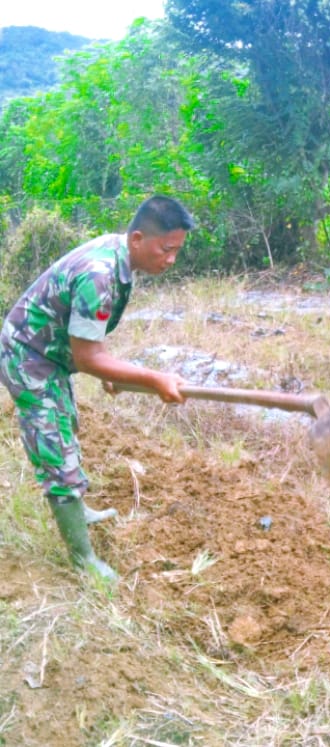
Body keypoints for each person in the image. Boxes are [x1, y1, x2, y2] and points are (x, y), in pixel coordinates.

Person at [0, 195, 195, 581]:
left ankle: (79, 513)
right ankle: (83, 561)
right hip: (28, 353)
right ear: (138, 238)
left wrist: (113, 370)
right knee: (54, 448)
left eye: (177, 251)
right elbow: (89, 358)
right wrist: (153, 378)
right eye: (166, 249)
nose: (170, 259)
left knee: (66, 423)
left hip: (51, 350)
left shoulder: (120, 255)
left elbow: (88, 339)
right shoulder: (100, 273)